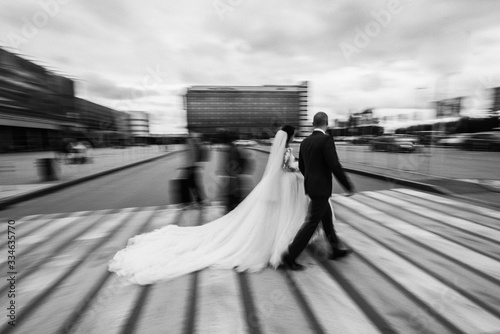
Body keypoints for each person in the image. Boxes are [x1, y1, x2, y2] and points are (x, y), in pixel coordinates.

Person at [108, 126, 308, 284]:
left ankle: (268, 238)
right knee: (251, 219)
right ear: (289, 136)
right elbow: (281, 167)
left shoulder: (275, 149)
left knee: (251, 217)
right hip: (259, 186)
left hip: (265, 188)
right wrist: (293, 168)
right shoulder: (278, 150)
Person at [281, 112, 355, 271]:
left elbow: (302, 166)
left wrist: (310, 178)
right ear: (326, 123)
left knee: (327, 219)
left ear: (313, 124)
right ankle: (290, 256)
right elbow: (334, 165)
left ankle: (335, 249)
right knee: (311, 223)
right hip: (321, 189)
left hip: (311, 187)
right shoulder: (326, 140)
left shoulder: (305, 141)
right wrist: (347, 185)